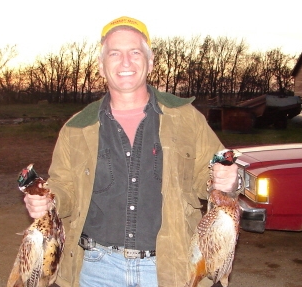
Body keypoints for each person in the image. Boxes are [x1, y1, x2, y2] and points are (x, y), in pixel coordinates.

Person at [24, 16, 240, 287]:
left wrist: (224, 179)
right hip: (96, 269)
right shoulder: (76, 128)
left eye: (135, 52)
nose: (125, 62)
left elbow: (210, 172)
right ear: (102, 67)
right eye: (115, 53)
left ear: (149, 63)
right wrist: (48, 200)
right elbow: (63, 186)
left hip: (168, 267)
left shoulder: (187, 118)